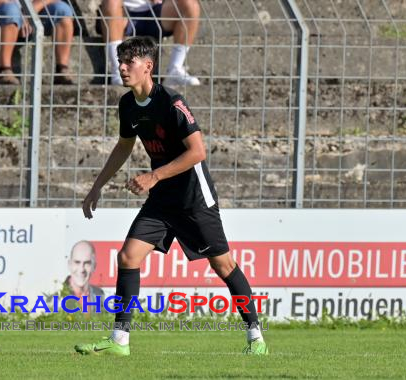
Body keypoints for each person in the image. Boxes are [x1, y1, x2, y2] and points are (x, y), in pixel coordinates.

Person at [74, 36, 268, 356]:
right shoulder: (127, 104)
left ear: (147, 67)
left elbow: (197, 152)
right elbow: (124, 145)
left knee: (223, 266)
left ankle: (255, 335)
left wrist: (153, 176)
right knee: (128, 257)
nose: (122, 67)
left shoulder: (172, 103)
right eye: (120, 61)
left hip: (193, 198)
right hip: (163, 199)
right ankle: (119, 341)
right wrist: (97, 186)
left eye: (129, 62)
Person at [99, 0, 200, 86]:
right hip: (122, 12)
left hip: (155, 11)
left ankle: (174, 70)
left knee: (191, 5)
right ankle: (118, 71)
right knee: (111, 2)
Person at [0, 0, 74, 85]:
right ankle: (5, 70)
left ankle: (62, 69)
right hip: (1, 12)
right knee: (11, 10)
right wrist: (19, 13)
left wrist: (29, 12)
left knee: (63, 10)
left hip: (34, 10)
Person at [63, 240, 105, 310]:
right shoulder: (58, 296)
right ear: (69, 264)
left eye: (87, 263)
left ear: (94, 266)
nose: (82, 269)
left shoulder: (99, 294)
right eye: (77, 262)